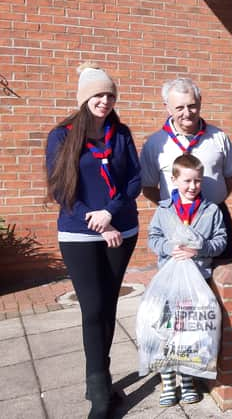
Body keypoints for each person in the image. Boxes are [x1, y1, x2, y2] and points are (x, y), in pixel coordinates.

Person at [45, 62, 141, 418]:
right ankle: (100, 392)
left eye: (110, 94)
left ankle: (98, 379)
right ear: (85, 98)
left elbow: (133, 179)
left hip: (122, 230)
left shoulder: (122, 133)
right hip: (79, 232)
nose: (105, 101)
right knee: (93, 308)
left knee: (110, 306)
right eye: (98, 95)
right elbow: (60, 188)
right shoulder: (62, 136)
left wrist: (111, 214)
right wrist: (98, 220)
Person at [147, 154, 227, 406]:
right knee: (167, 329)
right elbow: (153, 238)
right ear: (174, 180)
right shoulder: (164, 210)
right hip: (170, 280)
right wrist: (168, 247)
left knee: (192, 331)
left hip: (197, 279)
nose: (193, 187)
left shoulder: (211, 210)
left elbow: (221, 241)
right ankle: (168, 381)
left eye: (198, 181)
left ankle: (189, 379)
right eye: (187, 181)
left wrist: (200, 247)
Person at [140, 77, 232, 258]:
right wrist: (174, 208)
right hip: (174, 220)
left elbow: (231, 177)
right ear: (167, 108)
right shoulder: (155, 144)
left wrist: (208, 207)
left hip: (215, 218)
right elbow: (148, 188)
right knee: (178, 276)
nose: (187, 113)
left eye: (192, 105)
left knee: (221, 274)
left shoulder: (218, 137)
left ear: (200, 102)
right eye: (179, 108)